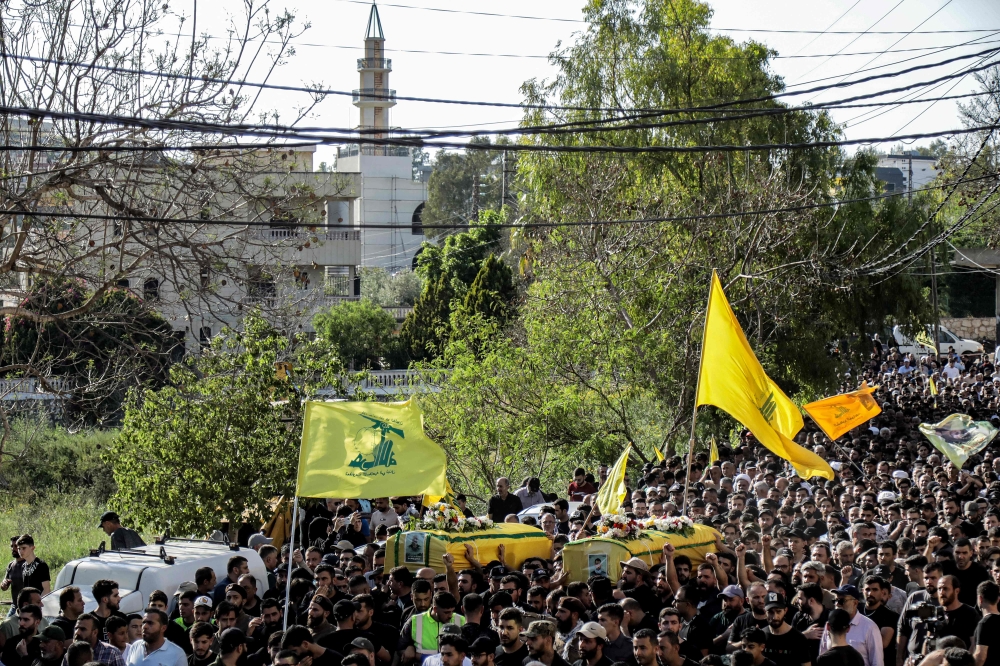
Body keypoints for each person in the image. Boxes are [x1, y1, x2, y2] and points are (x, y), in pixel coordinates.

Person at [818, 586, 882, 666]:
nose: (837, 604)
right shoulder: (830, 624)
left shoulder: (869, 627)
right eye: (835, 601)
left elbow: (877, 662)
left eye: (841, 601)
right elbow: (823, 654)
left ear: (855, 603)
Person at [761, 592, 811, 666]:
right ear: (765, 611)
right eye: (770, 612)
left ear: (785, 611)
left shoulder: (798, 638)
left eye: (778, 611)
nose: (775, 617)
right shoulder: (760, 636)